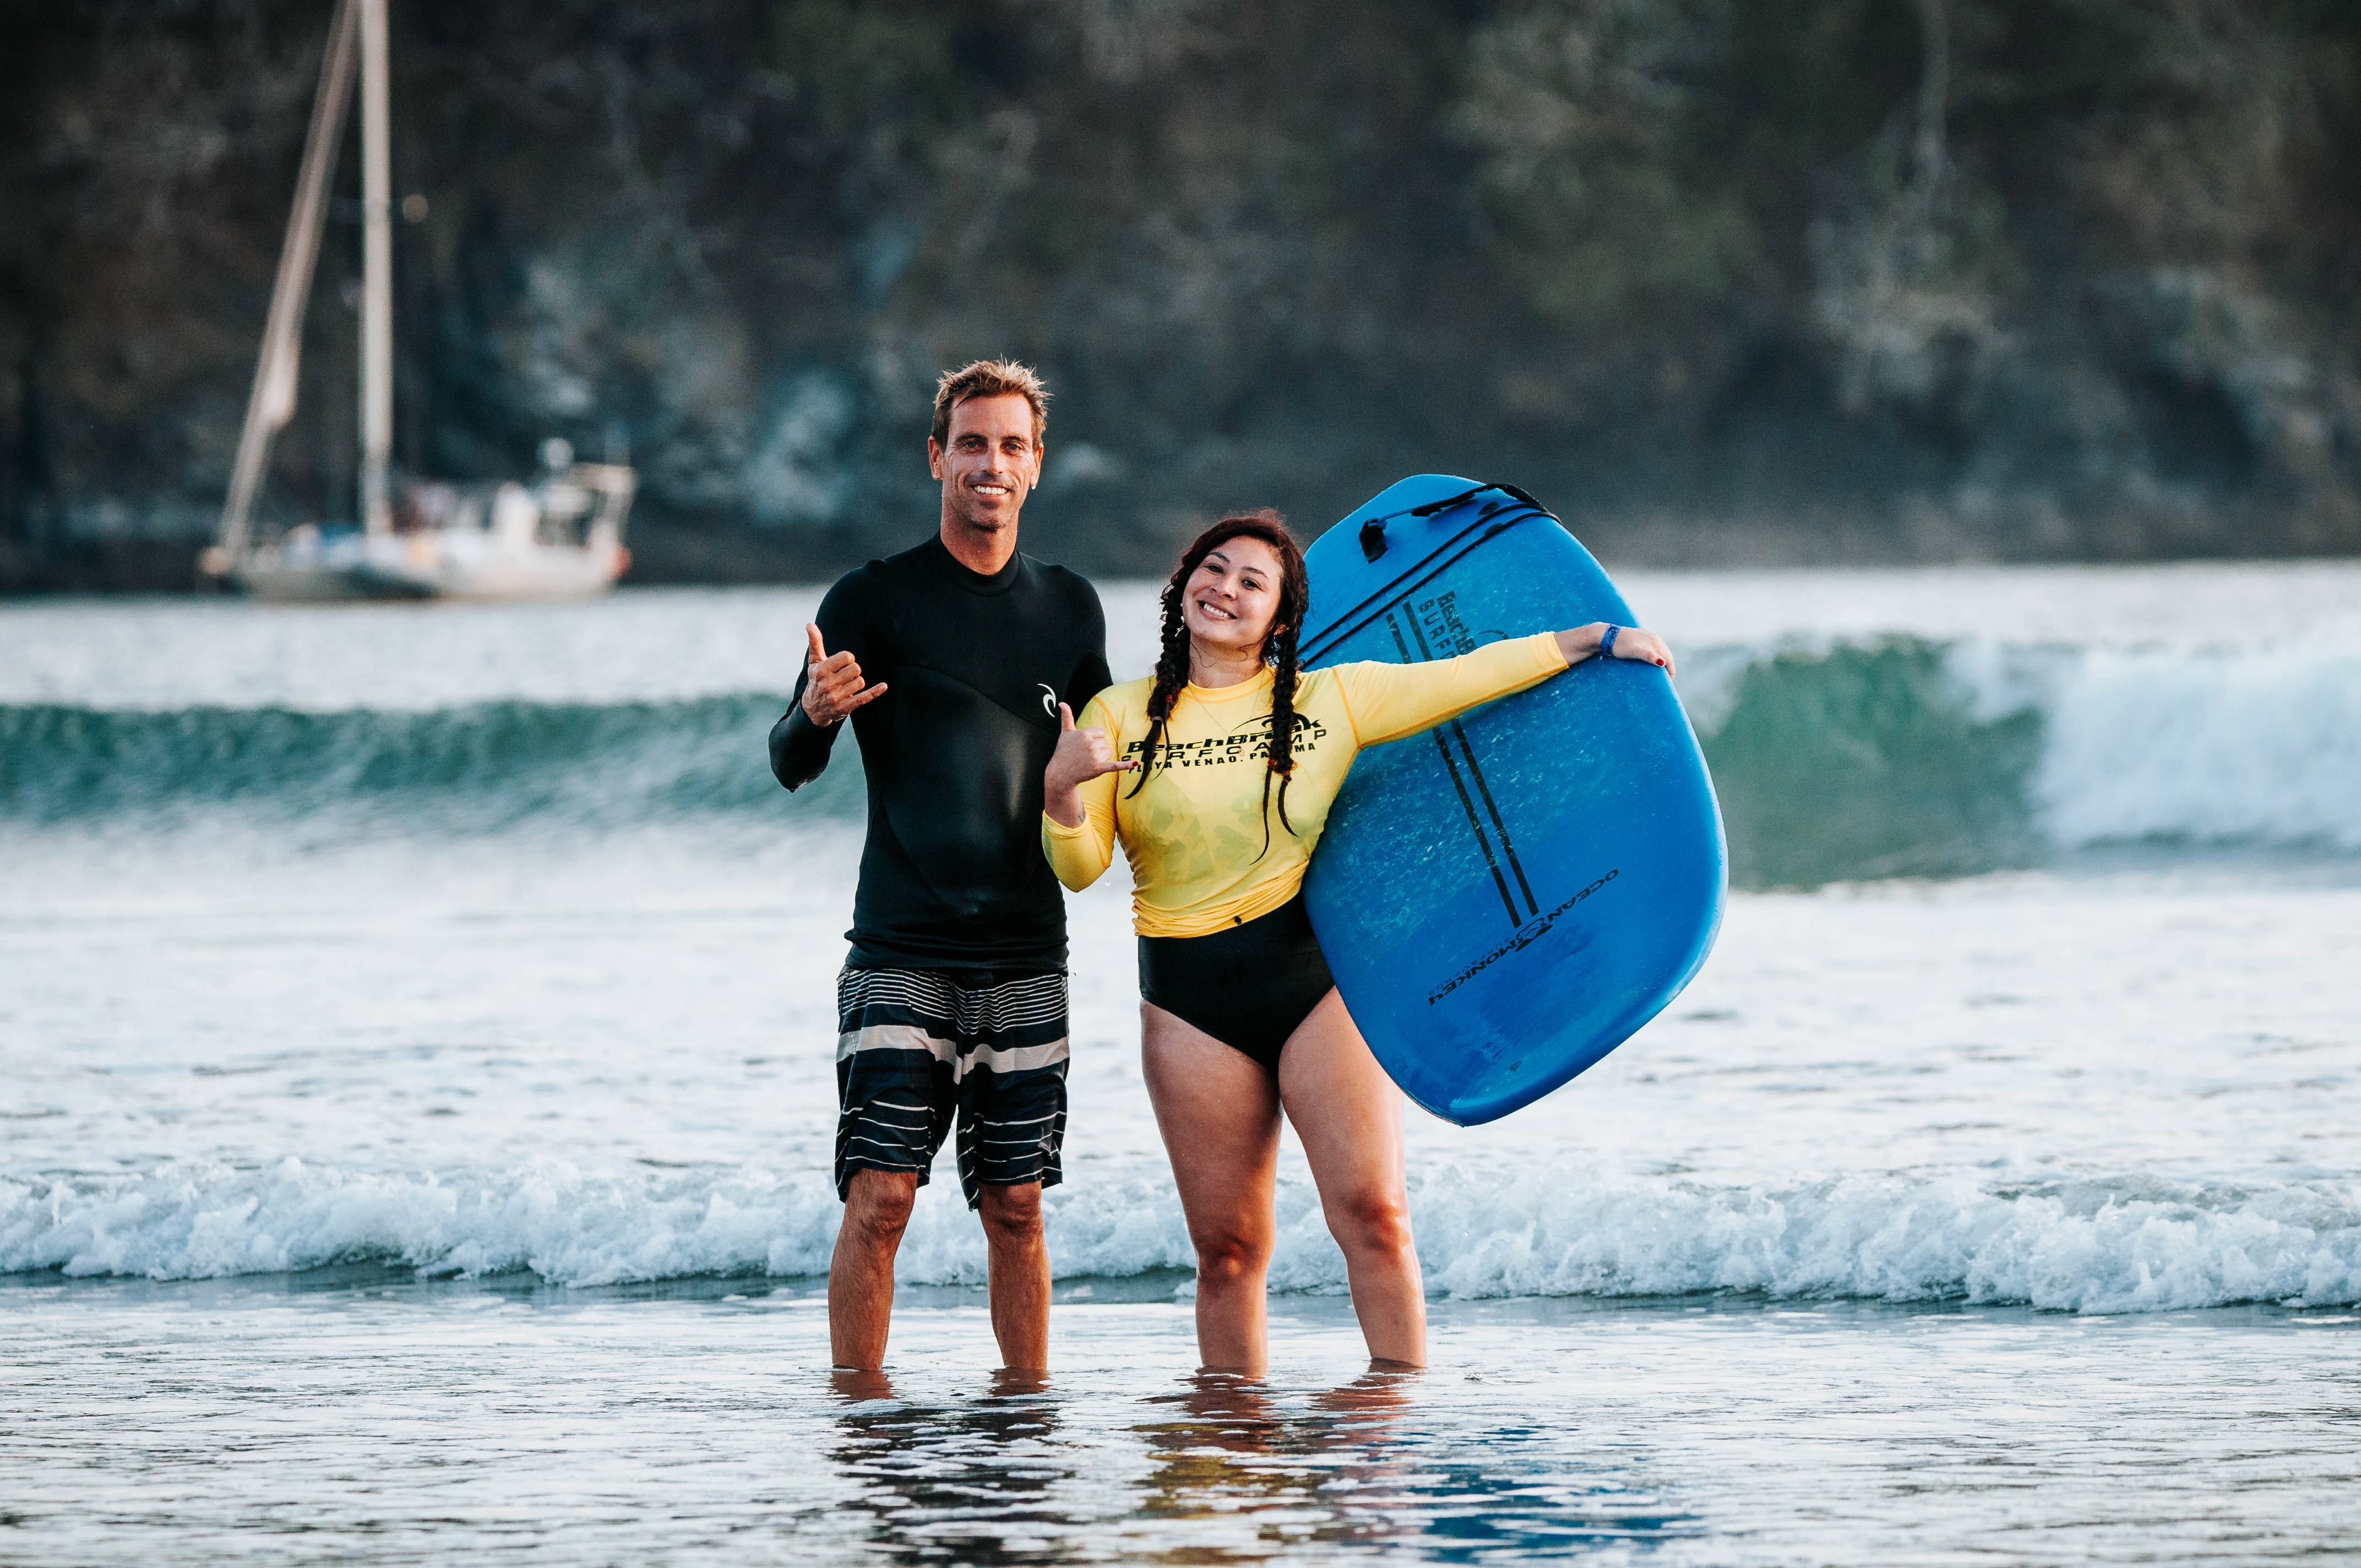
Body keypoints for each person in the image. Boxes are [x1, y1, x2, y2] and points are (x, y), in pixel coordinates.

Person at [1040, 510, 1673, 1376]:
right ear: (1182, 584)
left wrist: (1592, 638)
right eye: (1212, 570)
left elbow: (1463, 677)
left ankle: (1394, 1426)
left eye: (1251, 582)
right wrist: (1062, 793)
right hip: (1188, 1001)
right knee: (1228, 1251)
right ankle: (1235, 1446)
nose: (1225, 589)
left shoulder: (1328, 700)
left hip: (1310, 981)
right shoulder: (1120, 714)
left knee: (1374, 1215)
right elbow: (1080, 870)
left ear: (1281, 616)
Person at [770, 360, 1111, 1376]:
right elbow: (790, 761)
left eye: (1012, 446)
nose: (990, 464)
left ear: (1037, 466)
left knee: (1017, 1207)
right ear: (937, 457)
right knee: (881, 1198)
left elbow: (1095, 775)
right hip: (900, 946)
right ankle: (860, 1416)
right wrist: (814, 711)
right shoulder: (871, 600)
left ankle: (1025, 1414)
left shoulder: (1071, 609)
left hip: (1025, 954)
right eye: (972, 443)